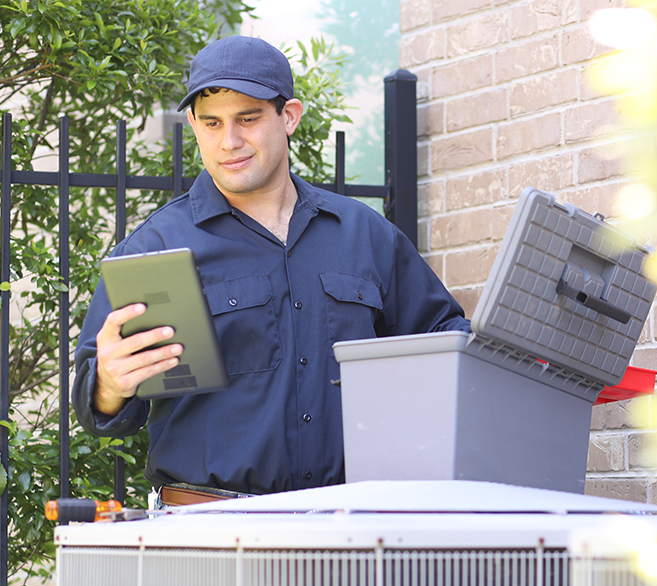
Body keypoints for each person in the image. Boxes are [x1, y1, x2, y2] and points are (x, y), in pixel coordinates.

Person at [73, 36, 471, 504]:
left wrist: (535, 372)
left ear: (289, 117)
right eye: (212, 123)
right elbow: (95, 402)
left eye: (248, 118)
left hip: (344, 523)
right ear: (194, 127)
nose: (230, 141)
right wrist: (108, 385)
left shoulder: (364, 234)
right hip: (208, 534)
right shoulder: (155, 247)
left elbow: (447, 337)